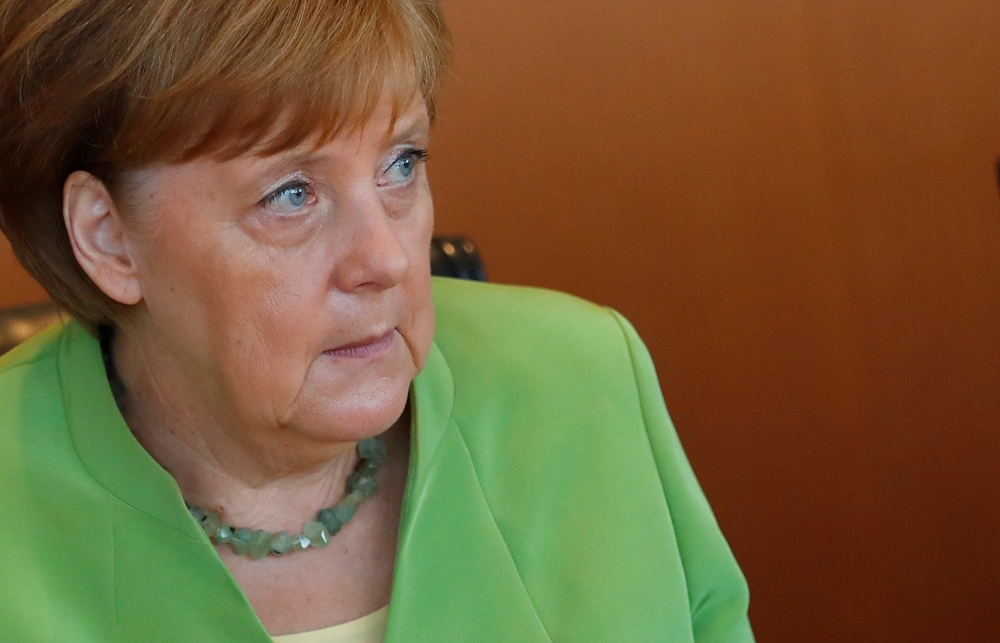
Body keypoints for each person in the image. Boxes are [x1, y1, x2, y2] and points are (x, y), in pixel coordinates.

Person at [0, 0, 755, 641]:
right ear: (108, 236)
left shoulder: (582, 380)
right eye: (292, 194)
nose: (388, 258)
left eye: (402, 163)